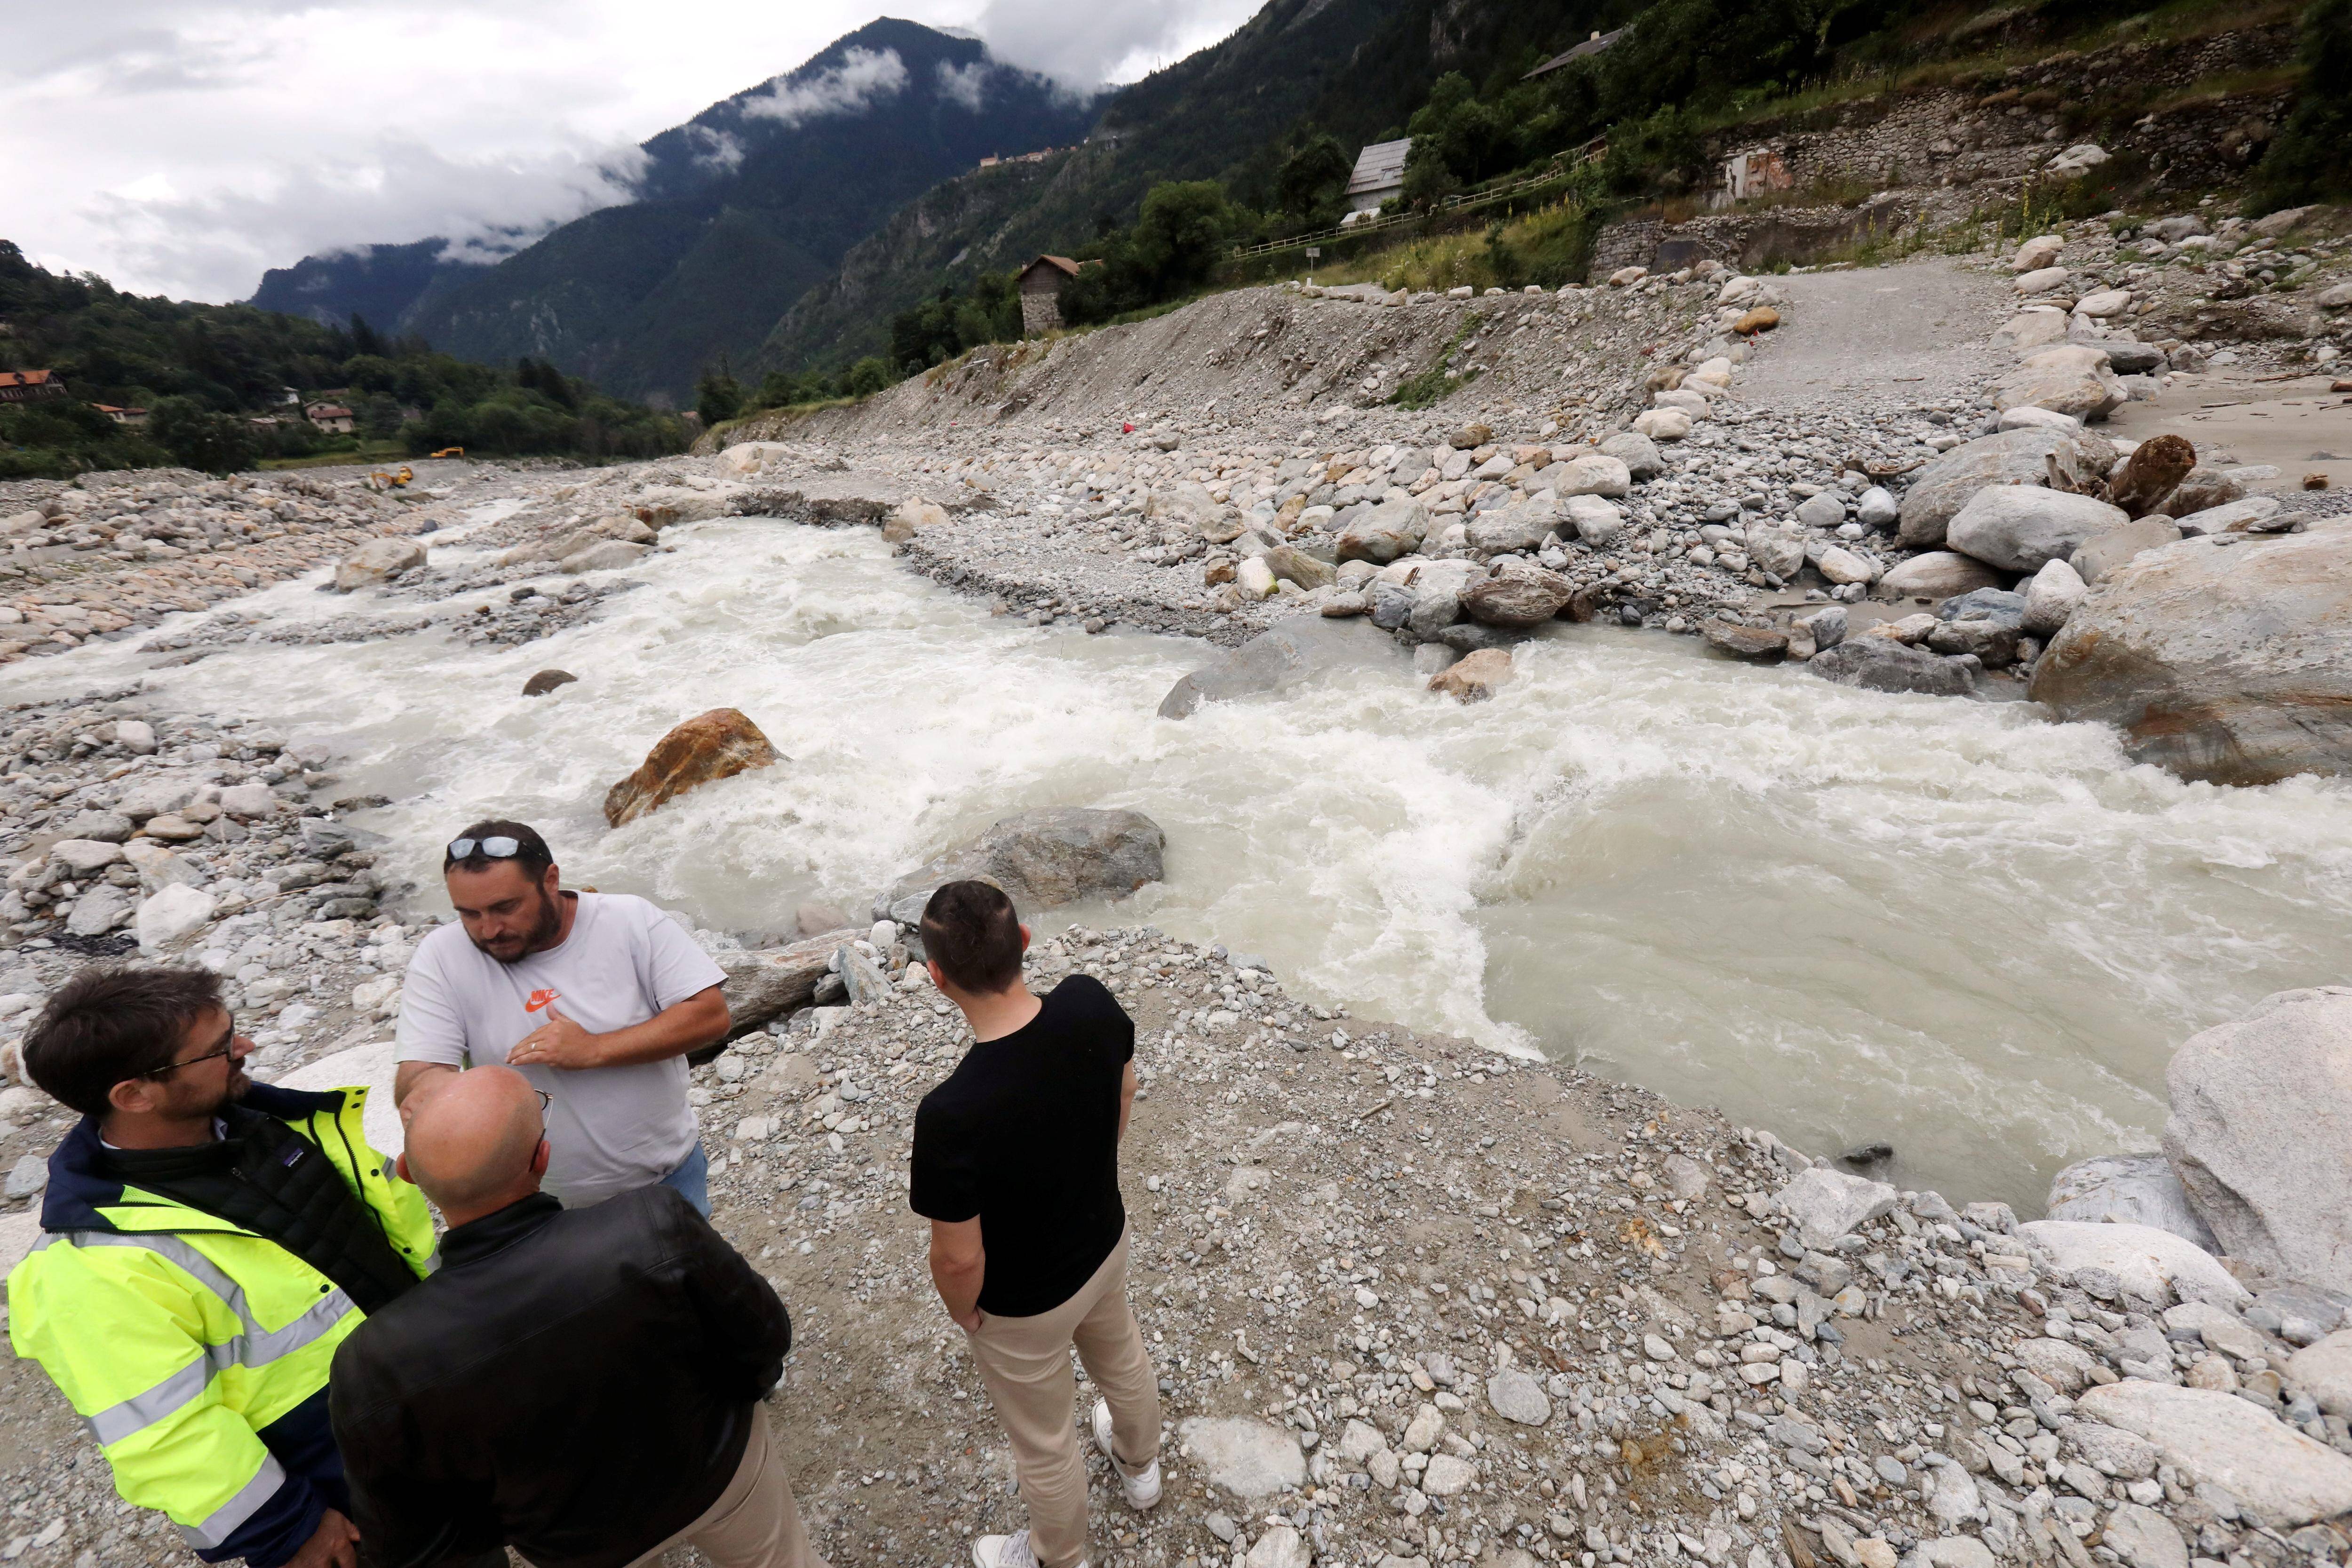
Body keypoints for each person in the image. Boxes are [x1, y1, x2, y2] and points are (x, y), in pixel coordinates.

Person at [5, 965, 434, 1568]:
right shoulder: (89, 1270)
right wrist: (286, 1530)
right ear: (133, 1095)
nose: (247, 1048)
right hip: (349, 1485)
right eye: (219, 1048)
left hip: (434, 1409)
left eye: (232, 1030)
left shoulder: (281, 1123)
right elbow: (164, 1434)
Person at [330, 1067, 823, 1568]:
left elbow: (412, 1529)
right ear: (542, 1157)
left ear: (408, 1172)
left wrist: (516, 1524)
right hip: (718, 1471)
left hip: (575, 1542)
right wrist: (742, 1400)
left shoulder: (374, 1362)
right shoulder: (650, 1225)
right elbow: (763, 1336)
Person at [908, 880, 1163, 1568]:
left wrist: (965, 1313)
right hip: (1104, 1242)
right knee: (1123, 1357)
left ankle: (1062, 1556)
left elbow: (958, 1258)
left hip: (1024, 1305)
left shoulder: (950, 1114)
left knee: (1046, 1439)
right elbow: (1127, 1086)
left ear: (938, 979)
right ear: (1024, 941)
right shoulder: (1089, 1002)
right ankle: (1141, 1470)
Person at [392, 819, 733, 1213]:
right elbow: (419, 1071)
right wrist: (430, 1090)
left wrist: (595, 1049)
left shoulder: (629, 920)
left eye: (506, 907)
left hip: (664, 1179)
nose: (488, 929)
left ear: (551, 879)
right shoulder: (442, 956)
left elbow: (710, 1014)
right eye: (469, 914)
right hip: (527, 1205)